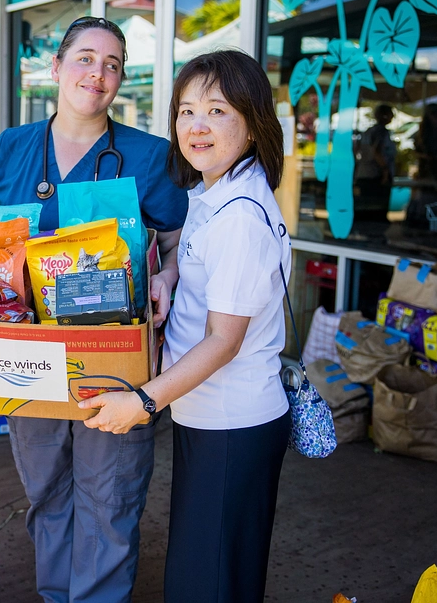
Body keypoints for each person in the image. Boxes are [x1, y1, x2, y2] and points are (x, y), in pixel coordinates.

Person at [0, 16, 187, 603]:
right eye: (87, 58)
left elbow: (177, 244)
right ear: (57, 67)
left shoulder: (149, 155)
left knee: (109, 496)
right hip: (27, 359)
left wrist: (167, 273)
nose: (99, 74)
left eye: (113, 64)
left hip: (112, 359)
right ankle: (54, 593)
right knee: (45, 489)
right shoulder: (11, 147)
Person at [79, 50, 291, 602]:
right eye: (186, 110)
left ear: (252, 123)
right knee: (209, 572)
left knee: (208, 581)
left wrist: (144, 402)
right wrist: (170, 278)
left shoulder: (241, 215)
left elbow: (224, 340)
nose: (197, 126)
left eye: (218, 110)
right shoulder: (214, 190)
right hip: (210, 416)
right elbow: (201, 272)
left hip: (231, 421)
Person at [355, 104, 396, 222]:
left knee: (366, 210)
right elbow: (377, 151)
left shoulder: (368, 131)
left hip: (364, 174)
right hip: (376, 175)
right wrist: (385, 172)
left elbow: (357, 149)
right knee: (377, 212)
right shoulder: (381, 132)